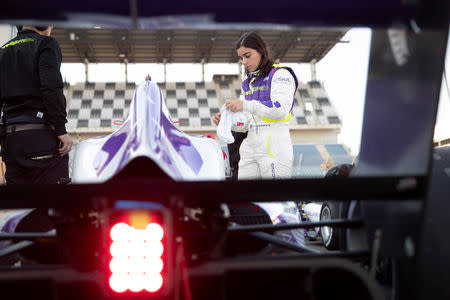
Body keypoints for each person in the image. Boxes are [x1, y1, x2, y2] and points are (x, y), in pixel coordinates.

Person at [213, 32, 298, 180]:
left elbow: (280, 110)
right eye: (241, 58)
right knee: (246, 198)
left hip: (274, 144)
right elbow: (245, 123)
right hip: (249, 145)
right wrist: (228, 122)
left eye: (247, 55)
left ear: (261, 51)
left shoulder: (281, 74)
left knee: (275, 200)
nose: (244, 62)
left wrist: (245, 105)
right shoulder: (247, 82)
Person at [0, 25, 72, 184]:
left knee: (19, 203)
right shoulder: (46, 43)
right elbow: (51, 87)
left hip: (11, 141)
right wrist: (61, 129)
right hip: (40, 137)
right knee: (53, 203)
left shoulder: (3, 50)